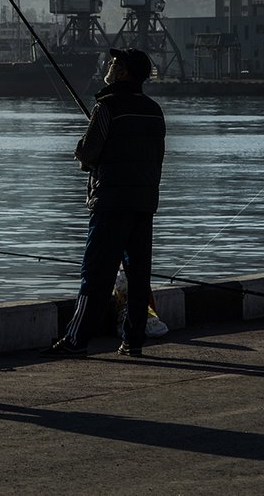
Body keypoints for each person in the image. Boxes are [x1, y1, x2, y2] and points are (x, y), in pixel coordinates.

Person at [42, 46, 166, 358]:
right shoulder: (154, 110)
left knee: (96, 274)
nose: (108, 66)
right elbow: (156, 159)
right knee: (138, 276)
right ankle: (133, 341)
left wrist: (80, 150)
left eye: (114, 63)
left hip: (111, 202)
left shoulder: (106, 107)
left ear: (123, 72)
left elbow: (89, 154)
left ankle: (76, 340)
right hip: (144, 202)